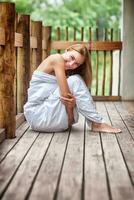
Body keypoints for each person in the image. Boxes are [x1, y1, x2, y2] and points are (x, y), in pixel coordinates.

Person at [23, 44, 121, 133]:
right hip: (38, 115)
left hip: (46, 119)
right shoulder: (56, 59)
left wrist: (71, 112)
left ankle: (96, 122)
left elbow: (69, 109)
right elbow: (65, 96)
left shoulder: (65, 72)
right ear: (67, 50)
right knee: (75, 80)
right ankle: (96, 123)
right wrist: (71, 108)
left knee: (75, 80)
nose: (71, 64)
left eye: (76, 64)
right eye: (72, 57)